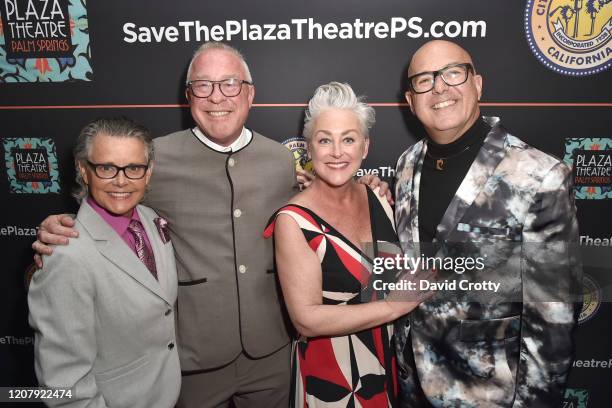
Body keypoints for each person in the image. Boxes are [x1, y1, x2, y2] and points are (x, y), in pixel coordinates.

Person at [32, 42, 297, 408]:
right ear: (189, 96)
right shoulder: (153, 157)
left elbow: (315, 210)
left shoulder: (281, 159)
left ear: (250, 94)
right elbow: (108, 203)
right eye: (203, 85)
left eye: (230, 84)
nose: (217, 96)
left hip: (273, 351)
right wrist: (56, 228)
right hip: (193, 361)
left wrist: (366, 189)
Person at [393, 40, 580, 407]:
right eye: (424, 80)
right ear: (411, 100)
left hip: (490, 395)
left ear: (477, 84)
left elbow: (553, 321)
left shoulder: (539, 175)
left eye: (452, 73)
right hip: (409, 386)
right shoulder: (406, 165)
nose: (440, 87)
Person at [264, 82, 428, 408]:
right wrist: (394, 306)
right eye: (325, 140)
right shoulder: (293, 221)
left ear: (365, 147)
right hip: (336, 381)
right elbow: (306, 319)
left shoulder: (380, 197)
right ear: (309, 149)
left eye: (348, 139)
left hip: (394, 369)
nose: (337, 152)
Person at [28, 117, 180, 408]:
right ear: (83, 170)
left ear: (149, 173)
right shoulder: (65, 254)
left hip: (166, 393)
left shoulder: (149, 219)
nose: (121, 180)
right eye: (106, 168)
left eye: (133, 168)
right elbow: (64, 387)